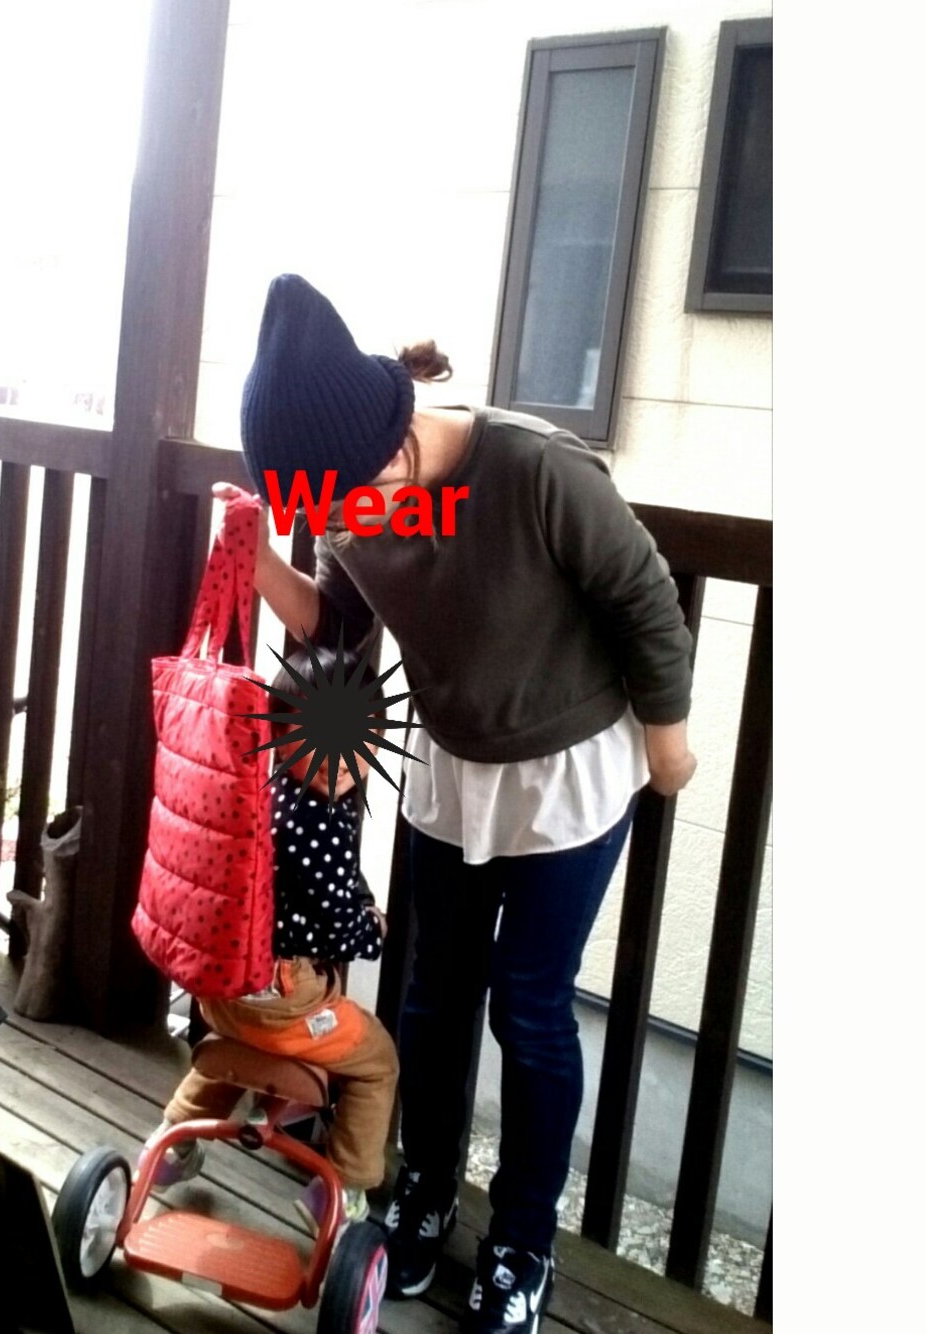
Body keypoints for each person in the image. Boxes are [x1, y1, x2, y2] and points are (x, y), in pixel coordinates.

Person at [216, 273, 696, 1334]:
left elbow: (643, 597)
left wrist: (668, 742)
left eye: (338, 503)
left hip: (567, 771)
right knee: (432, 995)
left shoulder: (531, 469)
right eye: (317, 512)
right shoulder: (350, 494)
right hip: (451, 767)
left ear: (392, 449)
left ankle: (523, 1238)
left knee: (529, 1006)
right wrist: (253, 564)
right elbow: (341, 625)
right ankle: (424, 1187)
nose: (336, 525)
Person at [142, 644, 399, 1233]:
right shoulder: (322, 821)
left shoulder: (259, 791)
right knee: (377, 1060)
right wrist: (371, 931)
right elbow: (338, 919)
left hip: (225, 990)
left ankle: (169, 1146)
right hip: (286, 999)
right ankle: (341, 1190)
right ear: (282, 736)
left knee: (233, 1051)